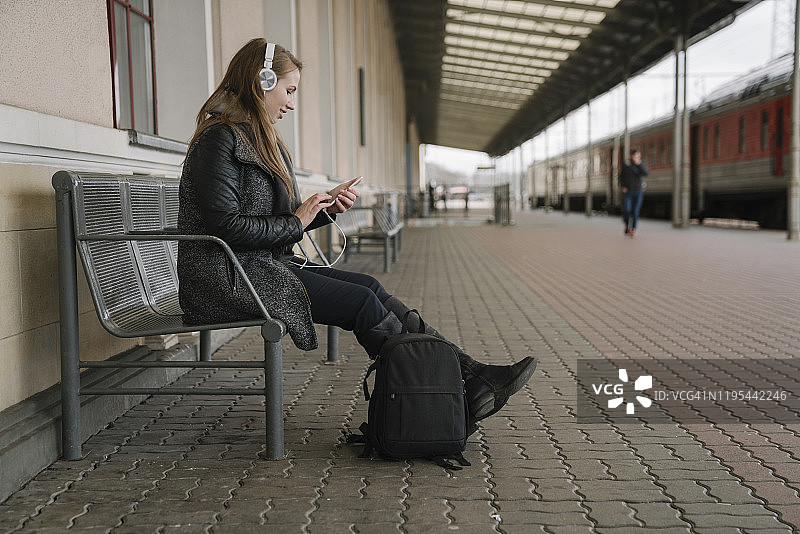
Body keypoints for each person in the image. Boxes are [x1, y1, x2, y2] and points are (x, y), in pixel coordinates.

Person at [177, 38, 536, 425]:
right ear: (262, 81)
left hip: (257, 267)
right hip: (224, 279)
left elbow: (272, 222)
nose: (292, 104)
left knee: (369, 287)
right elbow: (226, 227)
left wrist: (323, 211)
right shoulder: (220, 139)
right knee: (361, 304)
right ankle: (440, 396)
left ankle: (470, 375)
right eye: (289, 91)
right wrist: (298, 220)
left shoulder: (256, 139)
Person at [619, 148, 648, 237]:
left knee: (635, 211)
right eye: (635, 156)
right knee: (627, 210)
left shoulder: (641, 164)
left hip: (638, 191)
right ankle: (627, 225)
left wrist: (639, 164)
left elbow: (646, 173)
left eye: (638, 156)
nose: (637, 157)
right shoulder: (626, 165)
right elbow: (621, 177)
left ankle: (633, 229)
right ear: (632, 156)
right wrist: (623, 186)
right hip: (628, 192)